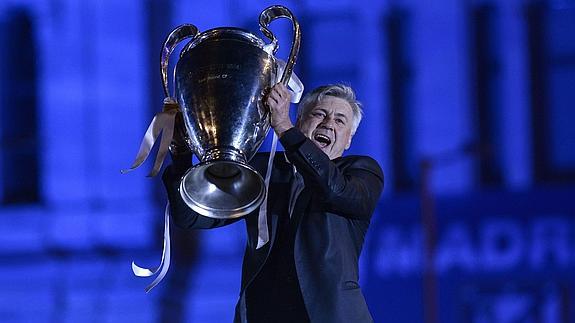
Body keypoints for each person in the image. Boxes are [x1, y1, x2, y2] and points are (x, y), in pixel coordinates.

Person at [162, 83, 384, 323]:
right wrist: (181, 155)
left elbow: (333, 190)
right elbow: (190, 217)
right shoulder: (262, 170)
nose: (328, 123)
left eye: (340, 121)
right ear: (300, 122)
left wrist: (284, 128)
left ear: (348, 140)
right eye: (319, 114)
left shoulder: (361, 172)